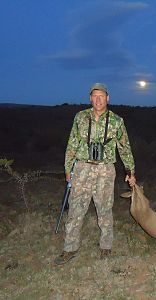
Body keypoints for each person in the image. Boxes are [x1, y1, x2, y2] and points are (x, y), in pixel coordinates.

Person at [54, 83, 136, 265]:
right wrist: (68, 169)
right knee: (75, 209)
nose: (98, 99)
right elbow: (72, 144)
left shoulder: (117, 121)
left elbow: (125, 148)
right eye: (95, 96)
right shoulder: (80, 117)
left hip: (105, 170)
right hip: (82, 167)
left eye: (102, 96)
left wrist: (130, 171)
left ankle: (106, 247)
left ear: (108, 98)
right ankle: (70, 249)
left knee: (105, 209)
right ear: (90, 98)